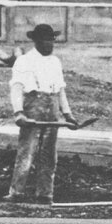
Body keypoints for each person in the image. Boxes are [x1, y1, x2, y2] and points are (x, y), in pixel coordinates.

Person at [7, 23, 78, 205]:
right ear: (37, 41)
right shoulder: (24, 61)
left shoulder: (55, 62)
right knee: (27, 152)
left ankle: (45, 194)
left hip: (52, 110)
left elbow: (60, 90)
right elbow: (16, 88)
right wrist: (18, 112)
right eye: (46, 40)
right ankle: (17, 192)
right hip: (33, 108)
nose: (49, 44)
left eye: (52, 40)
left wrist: (67, 114)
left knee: (49, 154)